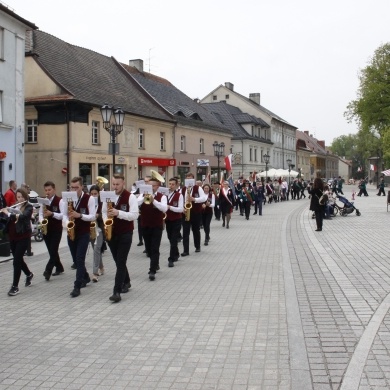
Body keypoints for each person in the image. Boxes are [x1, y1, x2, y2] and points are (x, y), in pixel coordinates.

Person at [102, 174, 138, 302]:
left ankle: (116, 291)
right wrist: (107, 221)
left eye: (118, 184)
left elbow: (134, 215)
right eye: (113, 184)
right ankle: (127, 281)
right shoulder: (108, 196)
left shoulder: (131, 197)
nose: (115, 187)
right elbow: (103, 212)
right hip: (111, 232)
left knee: (121, 261)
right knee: (118, 261)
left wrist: (118, 213)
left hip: (125, 233)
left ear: (123, 183)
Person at [64, 176, 96, 298]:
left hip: (83, 233)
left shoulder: (89, 199)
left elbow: (92, 216)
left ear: (82, 187)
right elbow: (63, 215)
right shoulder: (66, 198)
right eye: (72, 187)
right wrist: (67, 223)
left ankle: (77, 286)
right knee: (76, 261)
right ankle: (86, 277)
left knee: (79, 258)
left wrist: (80, 215)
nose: (74, 190)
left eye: (76, 187)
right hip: (71, 232)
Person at [1, 188, 34, 296]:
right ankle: (29, 274)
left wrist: (10, 214)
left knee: (16, 261)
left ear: (25, 197)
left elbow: (24, 217)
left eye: (21, 197)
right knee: (18, 259)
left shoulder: (28, 206)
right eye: (18, 197)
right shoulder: (14, 206)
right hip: (13, 237)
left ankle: (15, 286)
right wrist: (5, 212)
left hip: (23, 237)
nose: (19, 199)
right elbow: (10, 220)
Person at [138, 175, 167, 280]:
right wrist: (143, 197)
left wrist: (153, 200)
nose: (151, 188)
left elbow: (164, 209)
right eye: (149, 186)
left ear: (157, 187)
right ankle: (155, 263)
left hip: (157, 226)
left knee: (155, 248)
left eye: (153, 186)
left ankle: (152, 270)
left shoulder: (162, 196)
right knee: (149, 249)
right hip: (145, 225)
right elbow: (136, 203)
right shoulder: (142, 194)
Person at [40, 181, 65, 281]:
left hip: (56, 229)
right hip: (46, 229)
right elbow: (41, 214)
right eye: (46, 190)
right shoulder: (43, 201)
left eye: (49, 190)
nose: (47, 192)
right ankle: (59, 267)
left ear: (54, 190)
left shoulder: (60, 201)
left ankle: (48, 270)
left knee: (53, 250)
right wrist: (42, 221)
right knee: (52, 251)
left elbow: (63, 215)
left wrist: (52, 214)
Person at [181, 172, 207, 256]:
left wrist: (194, 199)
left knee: (196, 230)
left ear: (193, 179)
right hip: (186, 211)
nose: (189, 180)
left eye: (190, 178)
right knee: (185, 231)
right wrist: (182, 208)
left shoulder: (198, 188)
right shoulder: (183, 189)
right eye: (187, 178)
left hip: (196, 212)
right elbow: (181, 200)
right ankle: (186, 250)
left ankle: (197, 246)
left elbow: (204, 198)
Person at [165, 178, 183, 267]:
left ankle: (171, 259)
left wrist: (170, 207)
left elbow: (181, 209)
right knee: (170, 238)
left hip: (177, 220)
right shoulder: (165, 194)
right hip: (168, 220)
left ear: (176, 186)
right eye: (170, 184)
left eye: (173, 184)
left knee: (173, 239)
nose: (171, 186)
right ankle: (176, 253)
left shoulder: (179, 195)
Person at [89, 185, 104, 282]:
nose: (94, 196)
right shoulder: (89, 202)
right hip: (91, 229)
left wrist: (99, 215)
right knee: (95, 249)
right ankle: (101, 266)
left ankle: (95, 273)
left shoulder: (102, 203)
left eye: (95, 194)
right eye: (92, 194)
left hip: (99, 229)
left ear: (99, 194)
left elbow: (106, 213)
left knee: (97, 249)